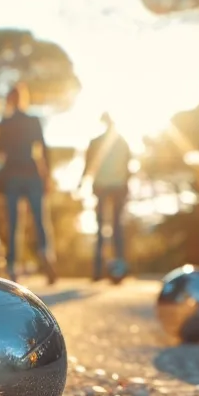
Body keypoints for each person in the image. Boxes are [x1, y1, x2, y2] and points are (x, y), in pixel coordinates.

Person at [0, 83, 57, 284]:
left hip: (12, 175)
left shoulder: (5, 122)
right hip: (32, 172)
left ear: (9, 100)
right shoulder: (33, 120)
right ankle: (46, 253)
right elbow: (43, 148)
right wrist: (47, 175)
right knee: (40, 219)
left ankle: (13, 266)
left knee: (14, 223)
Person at [80, 112, 132, 281]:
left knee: (101, 228)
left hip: (103, 186)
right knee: (116, 228)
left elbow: (88, 164)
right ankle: (118, 271)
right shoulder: (122, 142)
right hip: (116, 187)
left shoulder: (96, 141)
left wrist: (82, 181)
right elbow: (128, 165)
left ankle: (98, 271)